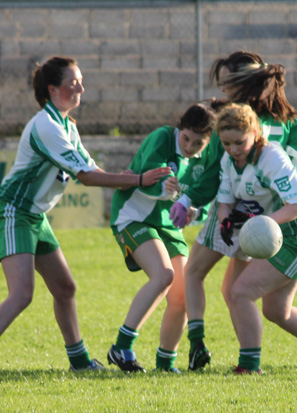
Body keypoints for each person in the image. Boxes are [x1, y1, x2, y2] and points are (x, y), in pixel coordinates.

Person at [0, 56, 170, 376]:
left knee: (65, 288)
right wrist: (139, 180)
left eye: (80, 81)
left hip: (34, 215)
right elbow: (85, 176)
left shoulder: (67, 125)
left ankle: (80, 361)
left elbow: (92, 168)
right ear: (53, 90)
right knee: (21, 295)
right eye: (73, 83)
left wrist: (125, 177)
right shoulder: (46, 125)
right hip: (14, 212)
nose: (81, 88)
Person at [169, 51, 297, 372]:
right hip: (254, 221)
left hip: (274, 224)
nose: (224, 94)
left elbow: (216, 176)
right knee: (267, 306)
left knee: (227, 288)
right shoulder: (286, 122)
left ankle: (234, 358)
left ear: (242, 86)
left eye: (227, 87)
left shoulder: (237, 126)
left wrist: (189, 199)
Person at [214, 102, 297, 373]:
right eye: (226, 143)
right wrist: (226, 221)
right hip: (277, 236)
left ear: (255, 131)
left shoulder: (271, 157)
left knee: (240, 292)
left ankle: (249, 366)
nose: (234, 149)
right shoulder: (228, 161)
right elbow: (224, 203)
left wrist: (258, 223)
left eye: (239, 141)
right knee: (276, 311)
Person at [107, 103, 216, 373]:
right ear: (179, 129)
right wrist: (162, 186)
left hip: (168, 226)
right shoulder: (163, 138)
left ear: (209, 141)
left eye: (198, 142)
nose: (190, 146)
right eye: (186, 138)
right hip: (134, 217)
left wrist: (195, 213)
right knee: (164, 275)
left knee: (182, 295)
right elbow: (147, 176)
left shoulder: (209, 158)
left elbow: (207, 198)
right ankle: (122, 346)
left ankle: (165, 364)